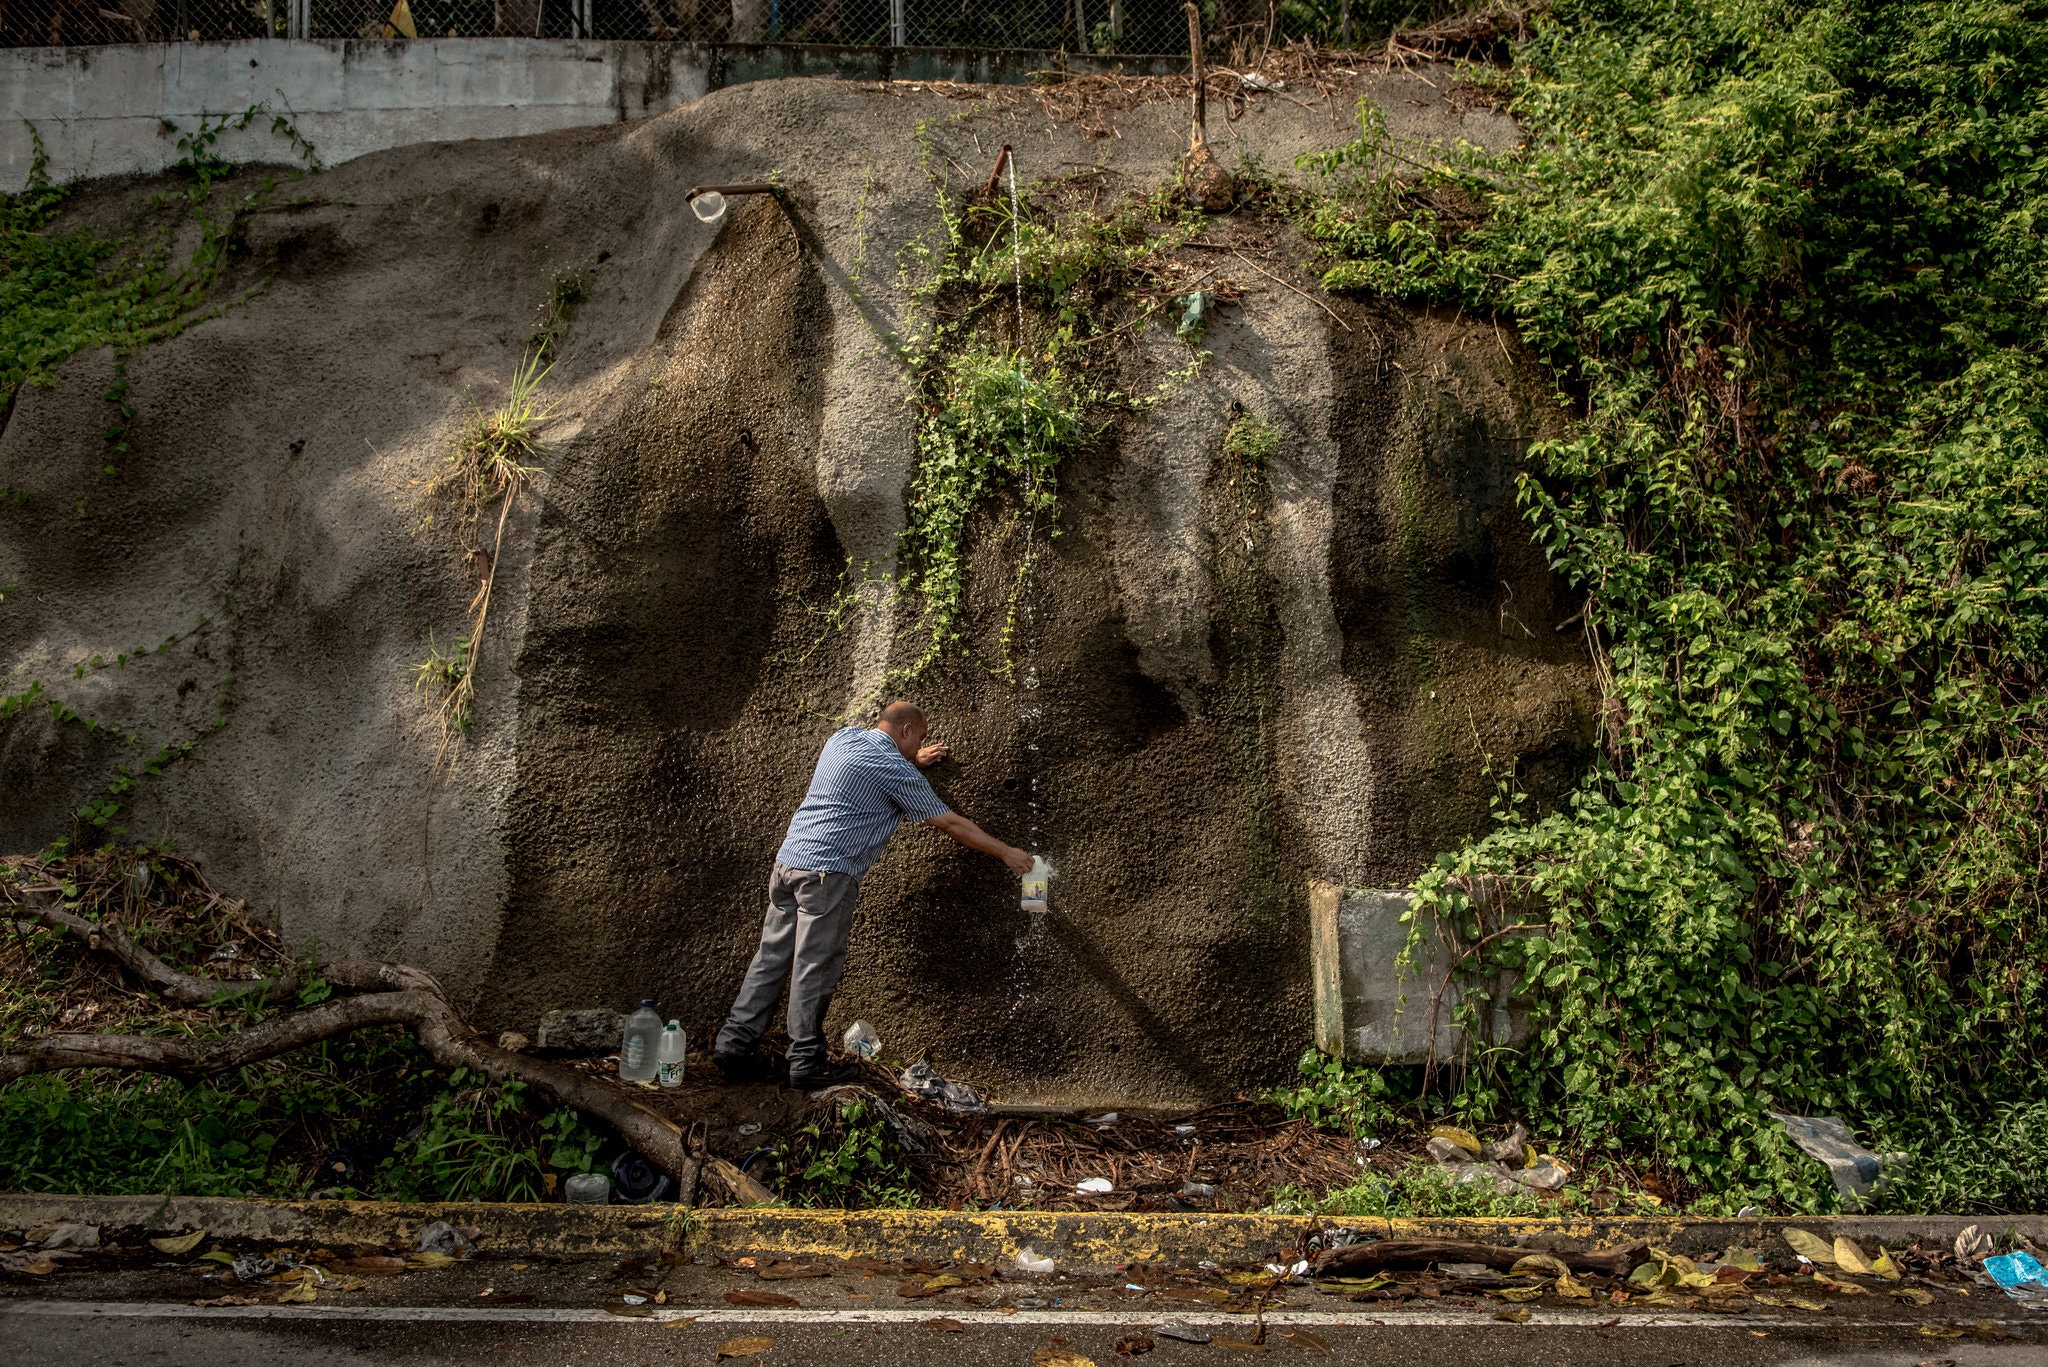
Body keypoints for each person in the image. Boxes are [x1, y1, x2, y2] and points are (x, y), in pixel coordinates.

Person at [712, 700, 1034, 1089]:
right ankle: (806, 1063)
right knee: (814, 967)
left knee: (771, 957)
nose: (919, 748)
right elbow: (950, 823)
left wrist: (913, 762)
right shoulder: (895, 771)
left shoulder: (842, 739)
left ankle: (733, 1044)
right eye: (920, 739)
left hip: (788, 865)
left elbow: (866, 775)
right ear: (907, 731)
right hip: (827, 876)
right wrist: (1006, 852)